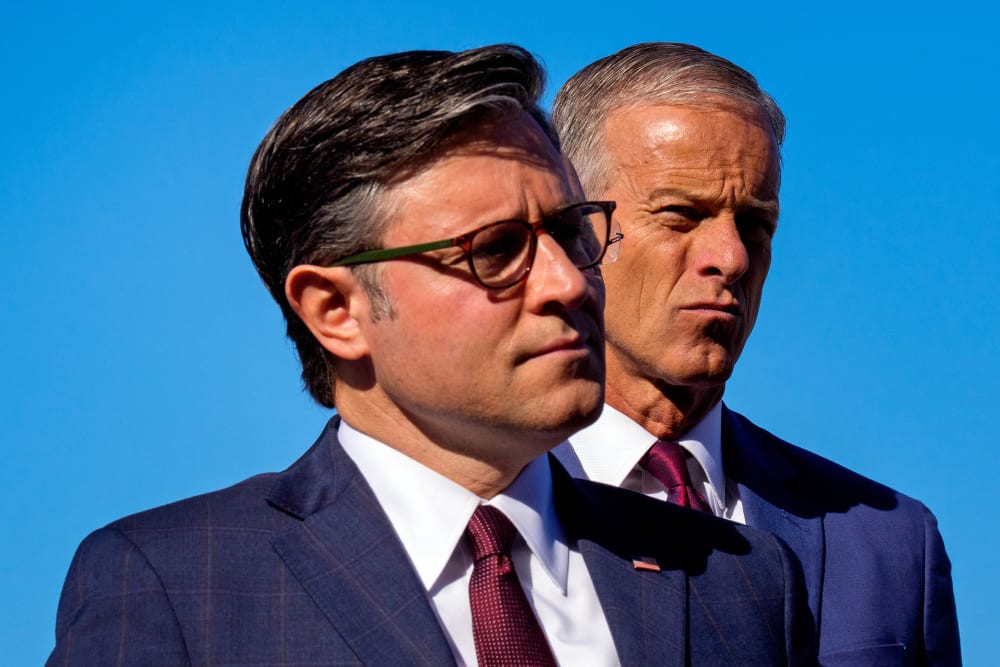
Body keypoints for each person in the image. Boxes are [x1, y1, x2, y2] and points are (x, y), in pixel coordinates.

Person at [48, 44, 813, 666]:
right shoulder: (181, 586)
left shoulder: (738, 577)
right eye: (497, 249)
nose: (568, 280)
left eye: (572, 230)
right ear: (336, 310)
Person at [551, 42, 961, 665]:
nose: (732, 257)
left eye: (754, 224)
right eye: (682, 215)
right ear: (580, 230)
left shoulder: (888, 542)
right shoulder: (482, 511)